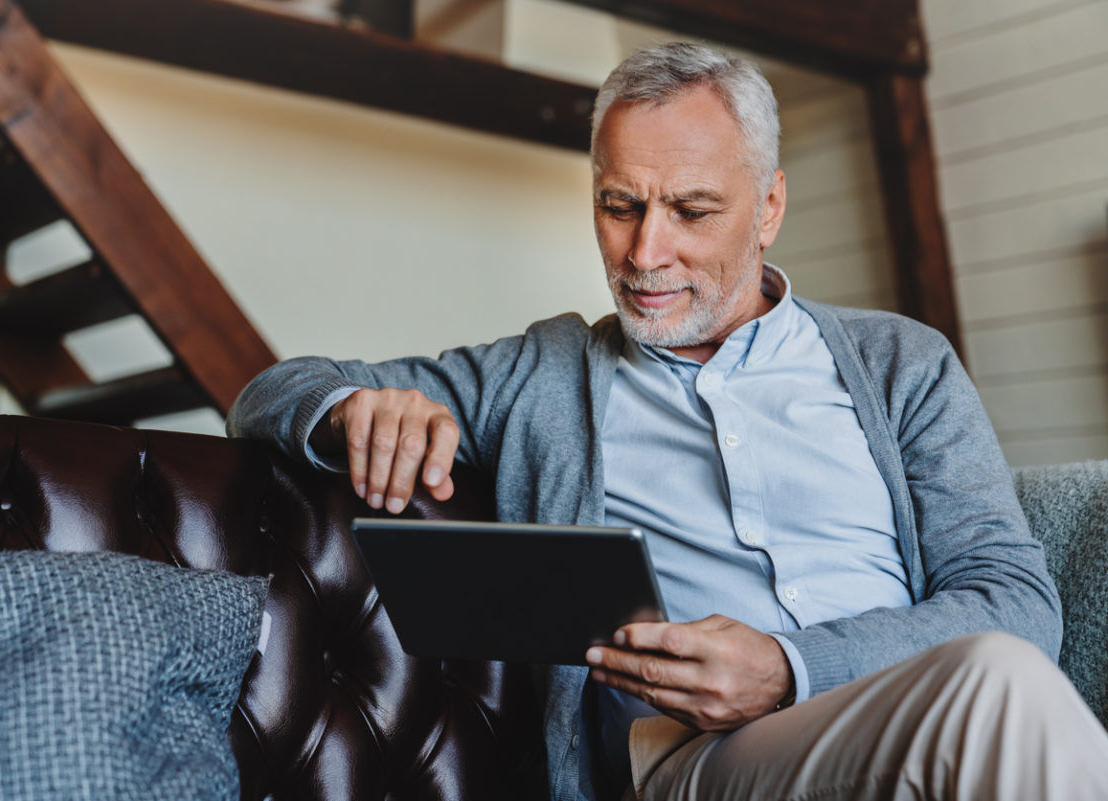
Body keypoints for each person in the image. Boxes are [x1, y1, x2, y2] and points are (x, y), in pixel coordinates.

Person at [228, 42, 1108, 801]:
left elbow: (1014, 602)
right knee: (1003, 692)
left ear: (768, 206)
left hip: (916, 716)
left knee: (1002, 679)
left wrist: (791, 666)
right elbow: (269, 390)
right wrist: (352, 407)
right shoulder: (543, 372)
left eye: (691, 210)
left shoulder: (901, 364)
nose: (646, 254)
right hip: (696, 762)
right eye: (619, 206)